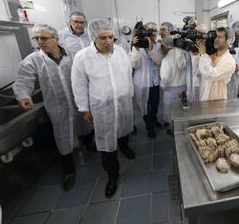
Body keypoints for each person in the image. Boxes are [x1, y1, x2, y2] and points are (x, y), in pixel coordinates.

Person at [71, 18, 135, 198]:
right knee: (107, 142)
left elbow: (128, 74)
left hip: (122, 101)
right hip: (102, 106)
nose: (108, 42)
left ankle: (125, 146)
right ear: (93, 38)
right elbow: (78, 84)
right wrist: (84, 108)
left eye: (111, 37)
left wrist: (130, 95)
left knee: (124, 129)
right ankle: (112, 176)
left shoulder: (120, 51)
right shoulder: (83, 57)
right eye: (103, 38)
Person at [13, 23, 79, 191]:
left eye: (43, 38)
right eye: (37, 38)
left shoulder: (72, 55)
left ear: (56, 38)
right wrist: (24, 95)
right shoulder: (34, 60)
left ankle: (86, 145)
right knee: (62, 136)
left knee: (83, 126)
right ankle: (68, 170)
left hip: (77, 101)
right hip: (57, 105)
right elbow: (23, 80)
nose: (39, 41)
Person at [58, 11, 95, 151]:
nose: (79, 25)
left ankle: (92, 134)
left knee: (93, 104)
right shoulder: (61, 36)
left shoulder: (89, 35)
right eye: (76, 22)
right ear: (70, 22)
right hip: (72, 77)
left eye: (82, 22)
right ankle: (84, 139)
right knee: (79, 108)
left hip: (91, 76)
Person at [131, 22, 163, 138]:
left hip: (155, 82)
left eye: (154, 31)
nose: (151, 33)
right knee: (144, 107)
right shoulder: (136, 46)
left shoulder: (158, 46)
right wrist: (136, 49)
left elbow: (158, 61)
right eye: (149, 30)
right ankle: (150, 127)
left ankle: (154, 119)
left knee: (154, 105)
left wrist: (150, 49)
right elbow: (134, 65)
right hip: (142, 83)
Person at [195, 27, 236, 101]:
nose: (216, 39)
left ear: (229, 41)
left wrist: (203, 55)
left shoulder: (229, 62)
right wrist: (196, 53)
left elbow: (210, 74)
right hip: (203, 97)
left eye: (220, 37)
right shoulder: (211, 56)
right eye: (215, 36)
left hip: (216, 102)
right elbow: (197, 71)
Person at [159, 36, 187, 133]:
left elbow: (165, 78)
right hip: (183, 88)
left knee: (171, 112)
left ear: (166, 46)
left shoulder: (166, 60)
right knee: (181, 110)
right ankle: (181, 128)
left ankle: (173, 130)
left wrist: (162, 86)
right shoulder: (182, 55)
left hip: (171, 91)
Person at [227, 21, 239, 99]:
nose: (237, 36)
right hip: (221, 79)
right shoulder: (222, 45)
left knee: (231, 103)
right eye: (236, 34)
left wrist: (238, 68)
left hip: (233, 80)